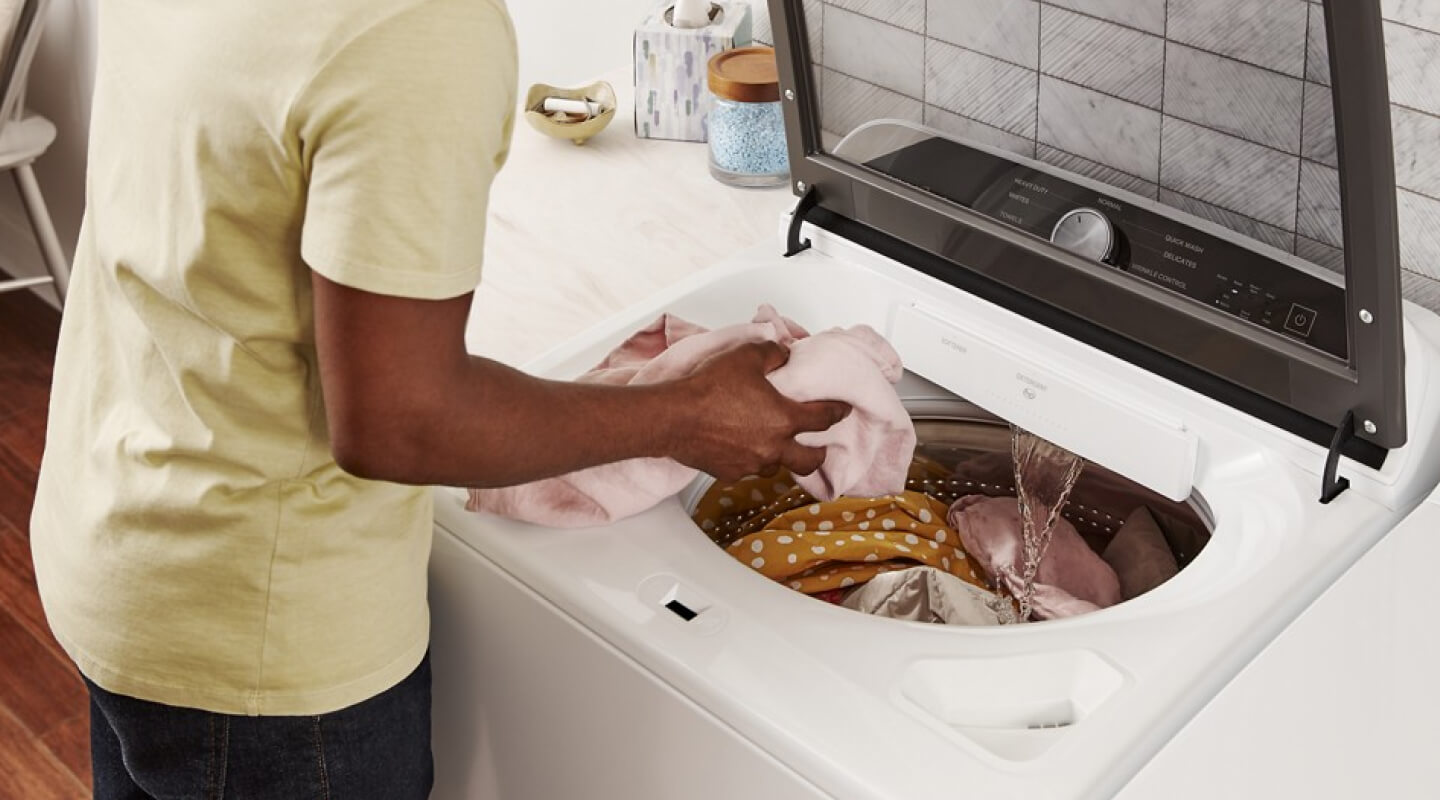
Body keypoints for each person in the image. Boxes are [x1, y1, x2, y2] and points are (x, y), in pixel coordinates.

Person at [28, 0, 847, 797]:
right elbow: (400, 422)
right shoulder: (415, 28)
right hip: (264, 643)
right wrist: (685, 415)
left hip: (116, 537)